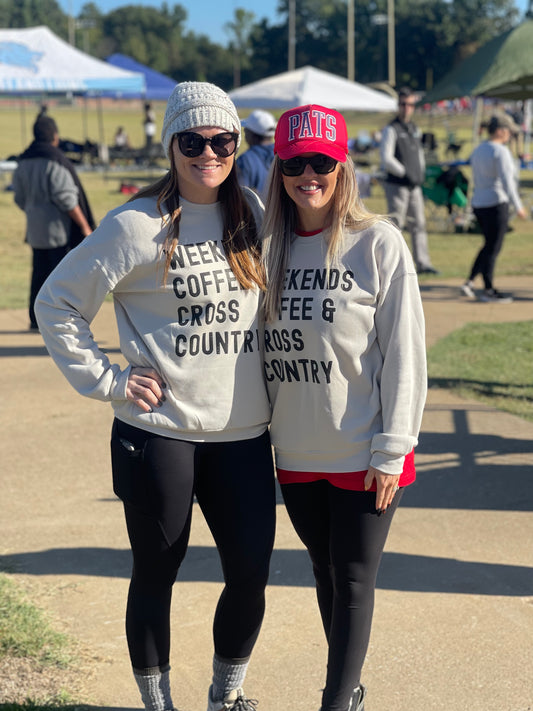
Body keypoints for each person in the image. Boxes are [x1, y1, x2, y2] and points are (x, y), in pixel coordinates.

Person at [35, 82, 276, 711]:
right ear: (171, 145)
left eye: (222, 141)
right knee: (156, 573)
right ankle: (158, 703)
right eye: (192, 141)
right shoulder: (136, 224)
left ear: (236, 145)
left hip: (243, 435)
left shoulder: (249, 208)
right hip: (159, 433)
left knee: (250, 575)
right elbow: (56, 302)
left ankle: (226, 697)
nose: (208, 153)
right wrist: (110, 379)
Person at [261, 104, 427, 711]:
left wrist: (393, 448)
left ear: (343, 166)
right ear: (278, 170)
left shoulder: (377, 243)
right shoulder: (266, 249)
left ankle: (334, 702)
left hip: (367, 452)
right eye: (295, 162)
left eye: (322, 161)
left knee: (354, 577)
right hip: (297, 451)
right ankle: (349, 689)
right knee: (326, 574)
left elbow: (405, 354)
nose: (309, 174)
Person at [12, 115, 95, 331]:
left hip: (35, 229)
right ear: (54, 136)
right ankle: (54, 320)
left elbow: (19, 198)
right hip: (57, 230)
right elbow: (67, 199)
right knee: (58, 277)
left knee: (38, 273)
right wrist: (85, 226)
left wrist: (34, 212)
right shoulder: (54, 161)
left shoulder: (23, 161)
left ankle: (34, 318)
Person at [461, 113, 527, 303]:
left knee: (488, 245)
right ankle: (488, 289)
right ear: (500, 131)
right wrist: (518, 206)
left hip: (479, 203)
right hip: (496, 203)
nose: (510, 136)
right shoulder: (501, 151)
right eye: (509, 132)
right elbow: (507, 182)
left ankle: (470, 281)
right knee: (493, 248)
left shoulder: (479, 149)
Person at [380, 86, 439, 275]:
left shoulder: (415, 128)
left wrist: (419, 173)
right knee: (397, 225)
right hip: (398, 185)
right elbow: (386, 158)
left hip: (414, 185)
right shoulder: (391, 129)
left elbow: (419, 154)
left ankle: (423, 262)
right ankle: (394, 264)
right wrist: (404, 172)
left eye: (411, 104)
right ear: (398, 105)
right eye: (404, 104)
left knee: (419, 224)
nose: (407, 108)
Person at [236, 109, 277, 200]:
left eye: (246, 130)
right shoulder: (282, 155)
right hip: (278, 213)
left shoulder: (245, 160)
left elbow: (240, 195)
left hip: (255, 213)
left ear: (251, 134)